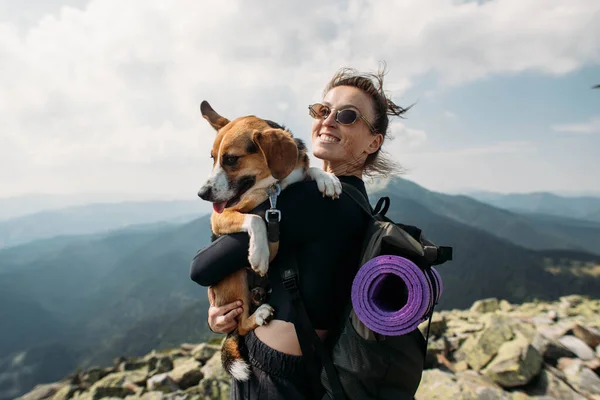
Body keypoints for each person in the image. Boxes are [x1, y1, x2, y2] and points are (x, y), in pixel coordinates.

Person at [190, 66, 410, 399]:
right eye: (323, 110)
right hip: (308, 368)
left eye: (348, 116)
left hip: (274, 373)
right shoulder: (356, 199)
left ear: (373, 143)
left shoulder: (313, 200)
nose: (329, 120)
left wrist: (217, 311)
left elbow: (202, 268)